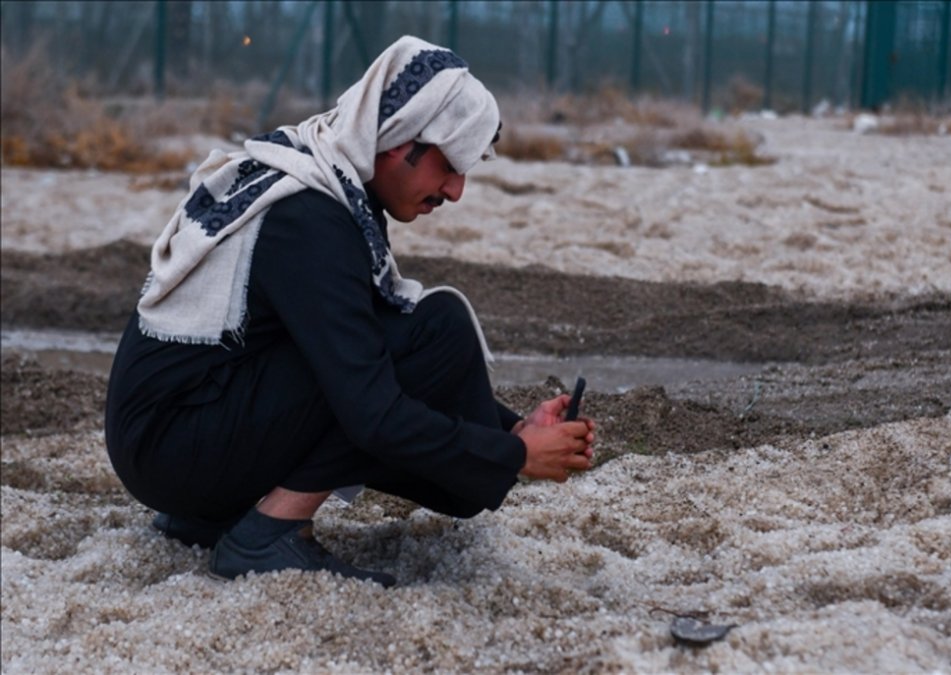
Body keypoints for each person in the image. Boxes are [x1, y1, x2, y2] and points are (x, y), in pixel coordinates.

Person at [105, 36, 595, 589]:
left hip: (170, 441)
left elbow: (354, 350)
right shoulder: (309, 216)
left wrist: (513, 427)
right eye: (449, 163)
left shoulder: (321, 180)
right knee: (437, 331)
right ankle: (267, 533)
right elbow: (372, 405)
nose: (456, 190)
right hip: (175, 449)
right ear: (395, 139)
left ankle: (217, 514)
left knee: (396, 343)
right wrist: (513, 455)